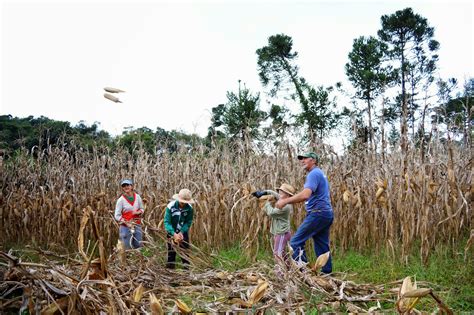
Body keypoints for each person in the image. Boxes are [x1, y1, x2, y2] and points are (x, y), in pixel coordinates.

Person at [275, 152, 334, 274]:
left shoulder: (313, 174)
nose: (302, 161)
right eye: (301, 159)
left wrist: (285, 201)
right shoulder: (319, 173)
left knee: (295, 242)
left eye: (305, 158)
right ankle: (327, 274)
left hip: (317, 213)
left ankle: (304, 273)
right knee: (322, 245)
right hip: (325, 213)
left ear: (313, 160)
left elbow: (305, 195)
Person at [252, 183, 295, 274]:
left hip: (282, 233)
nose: (279, 193)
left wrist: (265, 203)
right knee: (282, 254)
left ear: (287, 195)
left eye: (282, 191)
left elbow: (271, 213)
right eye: (279, 190)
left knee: (277, 254)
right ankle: (290, 271)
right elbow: (275, 195)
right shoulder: (284, 199)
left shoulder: (286, 206)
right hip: (280, 232)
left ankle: (280, 274)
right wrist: (263, 192)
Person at [164, 188, 195, 269]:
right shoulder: (170, 206)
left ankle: (186, 272)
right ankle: (170, 272)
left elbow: (188, 222)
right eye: (182, 201)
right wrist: (173, 233)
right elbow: (167, 222)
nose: (183, 204)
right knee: (171, 253)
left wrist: (181, 232)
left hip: (182, 233)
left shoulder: (189, 208)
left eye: (185, 202)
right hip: (171, 232)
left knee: (185, 254)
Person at [114, 179, 145, 249]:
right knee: (127, 247)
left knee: (138, 245)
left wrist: (138, 212)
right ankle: (127, 259)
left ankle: (139, 259)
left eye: (127, 185)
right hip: (125, 226)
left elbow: (142, 209)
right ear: (122, 188)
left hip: (137, 224)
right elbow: (117, 215)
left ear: (132, 186)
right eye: (124, 186)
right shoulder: (120, 200)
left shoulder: (137, 197)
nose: (126, 187)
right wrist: (126, 222)